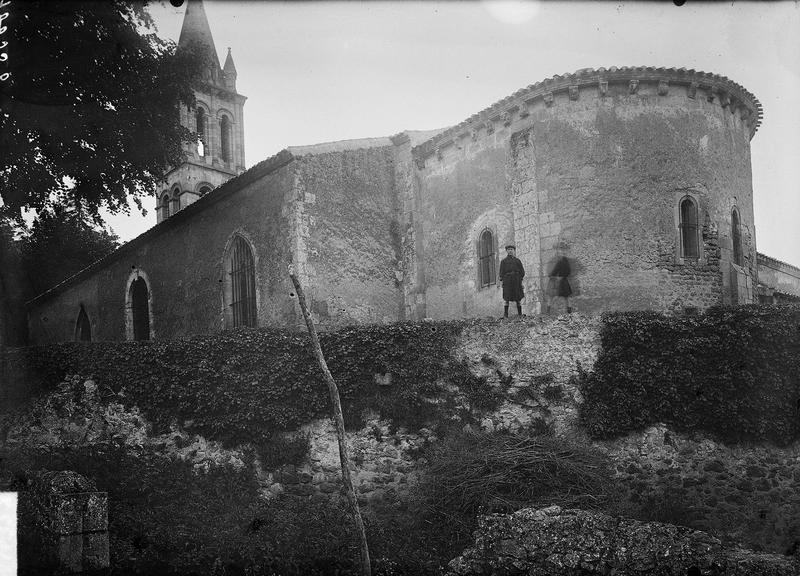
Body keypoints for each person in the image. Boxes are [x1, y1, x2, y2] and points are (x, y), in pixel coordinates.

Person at [498, 244, 525, 319]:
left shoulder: (517, 261)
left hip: (516, 281)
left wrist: (520, 280)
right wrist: (503, 281)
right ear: (506, 251)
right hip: (507, 281)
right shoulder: (504, 261)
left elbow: (522, 272)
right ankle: (505, 314)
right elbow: (501, 272)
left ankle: (520, 314)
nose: (510, 251)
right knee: (506, 298)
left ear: (514, 251)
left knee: (518, 298)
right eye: (509, 249)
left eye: (512, 249)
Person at [547, 242, 573, 314]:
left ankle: (569, 312)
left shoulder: (565, 260)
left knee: (568, 296)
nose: (560, 252)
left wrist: (562, 276)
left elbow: (568, 270)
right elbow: (551, 269)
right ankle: (548, 311)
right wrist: (552, 275)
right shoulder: (554, 260)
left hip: (563, 280)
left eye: (561, 250)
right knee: (550, 296)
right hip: (554, 280)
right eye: (558, 250)